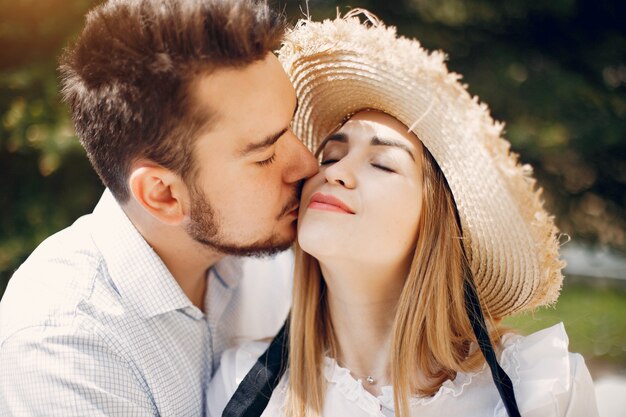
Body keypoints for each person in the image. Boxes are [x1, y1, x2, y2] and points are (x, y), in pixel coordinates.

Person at [207, 12, 599, 417]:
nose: (334, 172)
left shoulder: (541, 390)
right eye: (332, 154)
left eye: (382, 164)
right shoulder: (244, 387)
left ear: (435, 221)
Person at [0, 0, 318, 415]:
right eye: (263, 156)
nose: (307, 163)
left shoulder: (267, 251)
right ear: (163, 195)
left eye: (292, 125)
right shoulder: (65, 344)